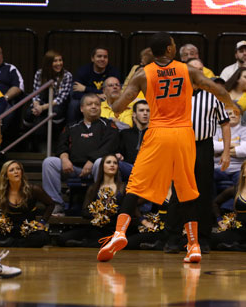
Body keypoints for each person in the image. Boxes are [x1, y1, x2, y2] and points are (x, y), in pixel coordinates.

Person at [96, 32, 237, 263]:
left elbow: (119, 106)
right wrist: (232, 106)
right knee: (187, 189)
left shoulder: (143, 74)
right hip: (183, 133)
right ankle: (193, 246)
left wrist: (110, 99)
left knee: (135, 185)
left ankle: (119, 232)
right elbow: (219, 91)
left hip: (157, 132)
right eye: (173, 44)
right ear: (170, 50)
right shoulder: (188, 70)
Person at [163, 57, 230, 253]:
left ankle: (202, 239)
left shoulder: (213, 96)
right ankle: (173, 238)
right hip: (180, 146)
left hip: (203, 146)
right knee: (178, 194)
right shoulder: (173, 94)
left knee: (203, 192)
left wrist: (226, 152)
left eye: (201, 69)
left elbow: (225, 123)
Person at [42, 93, 119, 214]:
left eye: (97, 104)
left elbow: (108, 147)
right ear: (81, 108)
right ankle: (56, 203)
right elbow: (61, 146)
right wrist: (65, 159)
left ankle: (102, 203)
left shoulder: (109, 125)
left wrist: (91, 161)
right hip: (73, 168)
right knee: (49, 162)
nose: (94, 107)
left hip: (96, 168)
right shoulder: (71, 126)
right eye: (89, 104)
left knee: (102, 162)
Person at [58, 154, 126, 247]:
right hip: (95, 227)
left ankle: (84, 244)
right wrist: (98, 213)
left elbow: (125, 211)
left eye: (115, 163)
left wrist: (111, 212)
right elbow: (85, 211)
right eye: (108, 162)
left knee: (109, 241)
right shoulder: (94, 187)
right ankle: (86, 243)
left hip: (112, 228)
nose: (112, 165)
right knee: (62, 238)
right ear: (102, 166)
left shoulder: (122, 187)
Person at [0, 160, 53, 248]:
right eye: (12, 170)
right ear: (6, 176)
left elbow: (50, 204)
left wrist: (43, 221)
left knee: (43, 237)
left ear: (22, 172)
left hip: (26, 227)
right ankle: (16, 243)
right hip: (7, 227)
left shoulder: (33, 189)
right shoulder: (0, 190)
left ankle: (10, 243)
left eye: (18, 169)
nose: (16, 171)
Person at [23, 50, 72, 149]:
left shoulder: (67, 75)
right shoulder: (39, 73)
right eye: (55, 61)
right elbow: (36, 92)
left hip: (57, 104)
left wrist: (42, 108)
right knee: (28, 113)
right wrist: (36, 106)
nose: (59, 63)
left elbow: (61, 98)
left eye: (60, 60)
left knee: (55, 112)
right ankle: (28, 141)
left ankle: (55, 141)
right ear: (48, 63)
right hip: (42, 101)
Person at [69, 46, 120, 124]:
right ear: (92, 58)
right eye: (99, 56)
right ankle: (71, 128)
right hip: (86, 98)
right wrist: (96, 95)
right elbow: (76, 93)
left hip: (106, 99)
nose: (102, 59)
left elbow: (114, 91)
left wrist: (86, 89)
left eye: (105, 57)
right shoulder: (83, 71)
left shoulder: (113, 72)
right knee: (74, 104)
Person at [213, 105, 246, 189]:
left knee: (244, 180)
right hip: (218, 169)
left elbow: (244, 150)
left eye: (236, 113)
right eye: (229, 113)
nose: (233, 115)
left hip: (239, 169)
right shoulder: (216, 131)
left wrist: (221, 151)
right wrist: (236, 145)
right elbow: (213, 147)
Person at [114, 100, 150, 181]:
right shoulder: (125, 133)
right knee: (111, 164)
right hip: (129, 168)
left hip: (150, 170)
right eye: (141, 110)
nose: (145, 113)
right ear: (134, 114)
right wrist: (118, 155)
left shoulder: (156, 134)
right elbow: (118, 151)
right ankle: (115, 192)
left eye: (148, 111)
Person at [0, 43, 24, 135]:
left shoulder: (10, 68)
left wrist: (4, 98)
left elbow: (18, 87)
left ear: (2, 56)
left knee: (4, 111)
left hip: (2, 103)